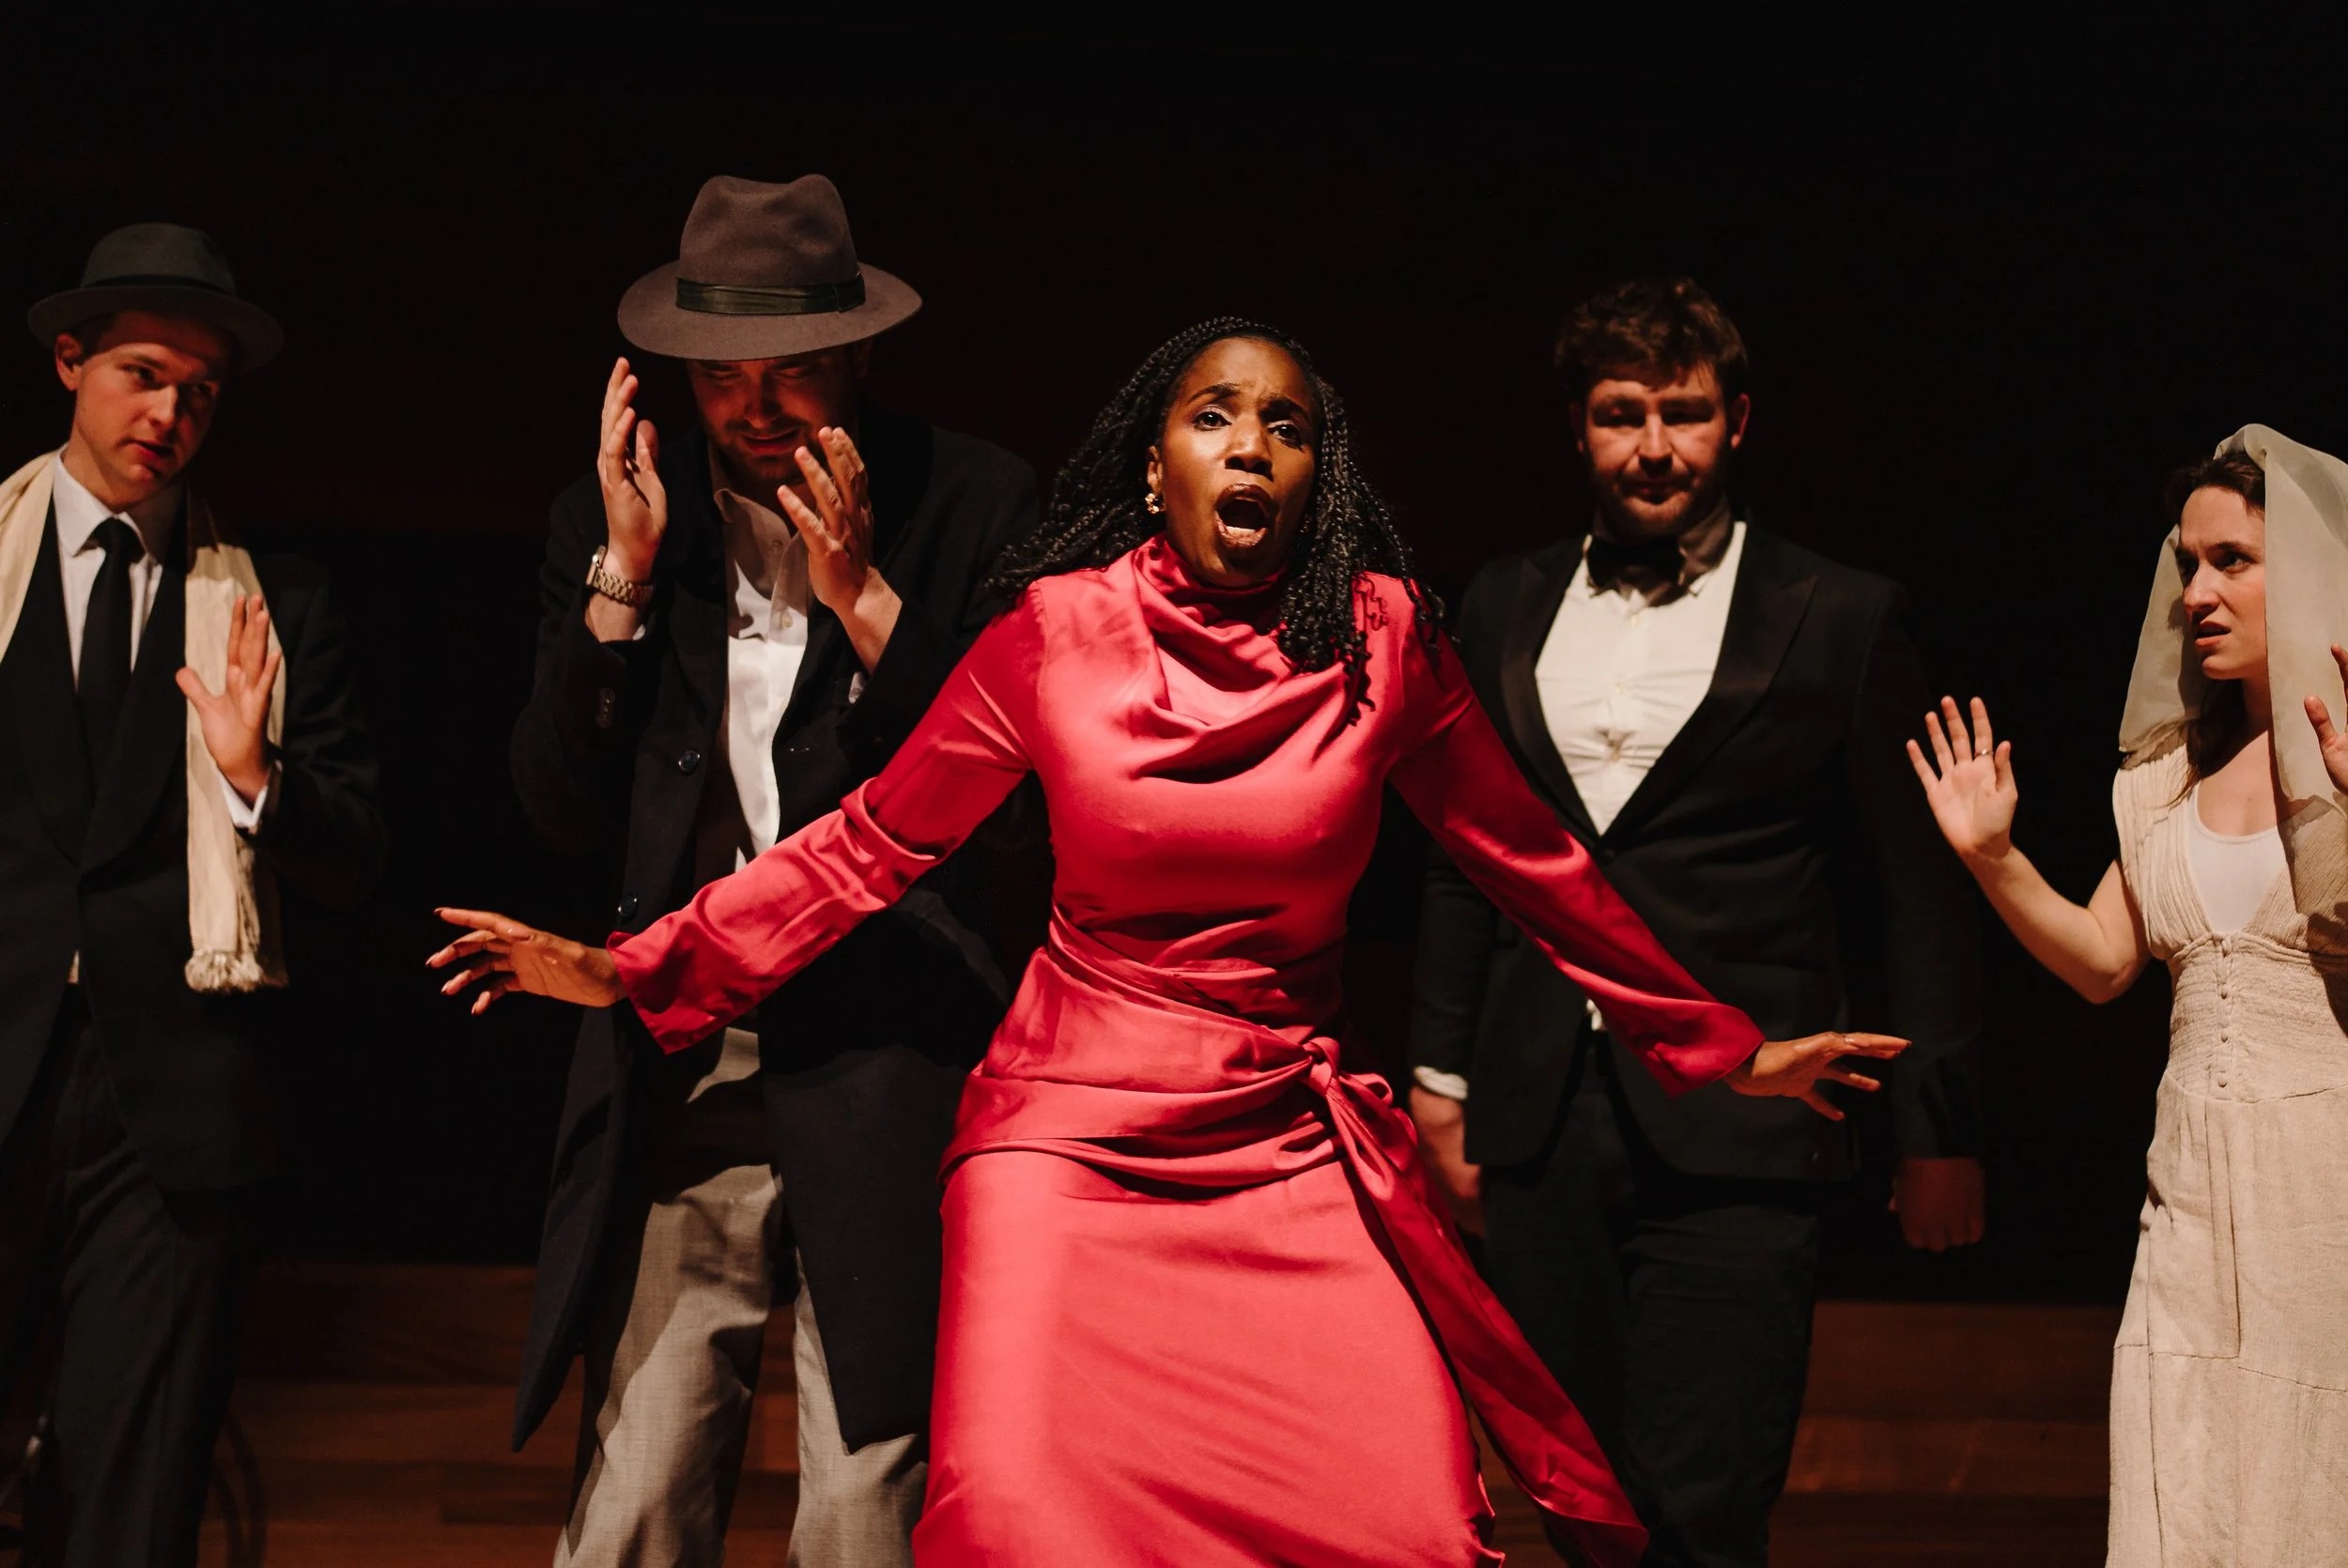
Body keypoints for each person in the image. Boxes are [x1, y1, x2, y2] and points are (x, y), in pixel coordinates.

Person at [434, 316, 1906, 1568]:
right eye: (1215, 417)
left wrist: (1722, 1043)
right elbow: (872, 844)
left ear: (1319, 480)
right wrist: (642, 966)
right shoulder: (1054, 633)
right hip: (1065, 1151)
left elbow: (1534, 861)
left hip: (1284, 1146)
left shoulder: (1384, 642)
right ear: (1159, 465)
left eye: (1286, 426)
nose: (1251, 444)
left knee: (1405, 1518)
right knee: (1018, 1513)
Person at [501, 174, 1038, 1568]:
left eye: (789, 376)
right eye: (721, 378)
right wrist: (620, 575)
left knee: (867, 1503)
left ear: (856, 354)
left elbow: (1010, 808)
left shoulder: (973, 501)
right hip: (689, 1049)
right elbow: (559, 809)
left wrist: (866, 600)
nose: (752, 410)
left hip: (897, 1054)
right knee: (639, 1485)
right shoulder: (621, 511)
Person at [1406, 275, 1985, 1566]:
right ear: (1578, 427)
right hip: (1543, 1109)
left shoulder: (1838, 611)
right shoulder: (1501, 598)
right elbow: (1464, 854)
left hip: (1750, 1115)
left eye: (1685, 413)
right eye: (1623, 414)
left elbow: (1921, 886)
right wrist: (1439, 1075)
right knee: (1583, 1498)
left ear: (1739, 422)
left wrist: (1938, 1127)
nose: (1655, 446)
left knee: (1706, 1503)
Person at [0, 223, 386, 1564]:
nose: (169, 414)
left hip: (172, 1108)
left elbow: (351, 857)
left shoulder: (275, 600)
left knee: (131, 1508)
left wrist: (252, 773)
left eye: (200, 392)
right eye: (143, 374)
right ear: (68, 363)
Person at [1910, 429, 2348, 1567]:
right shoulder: (2168, 777)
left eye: (2231, 560)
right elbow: (2107, 956)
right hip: (2192, 1196)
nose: (2196, 590)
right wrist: (1993, 859)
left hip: (2326, 1189)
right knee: (2183, 1475)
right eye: (2186, 562)